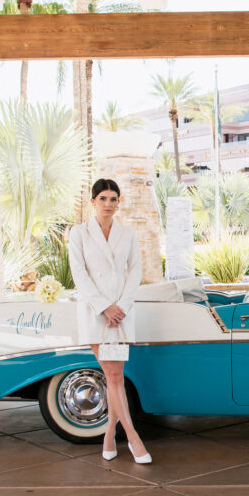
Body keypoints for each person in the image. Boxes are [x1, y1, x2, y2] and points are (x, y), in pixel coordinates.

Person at [68, 178, 151, 464]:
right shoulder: (79, 233)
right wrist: (105, 307)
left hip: (121, 315)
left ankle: (108, 436)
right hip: (95, 314)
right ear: (93, 202)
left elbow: (136, 273)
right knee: (113, 375)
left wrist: (121, 307)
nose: (108, 204)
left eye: (113, 199)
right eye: (102, 198)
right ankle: (132, 437)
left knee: (115, 377)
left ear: (119, 202)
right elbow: (79, 275)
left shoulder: (127, 234)